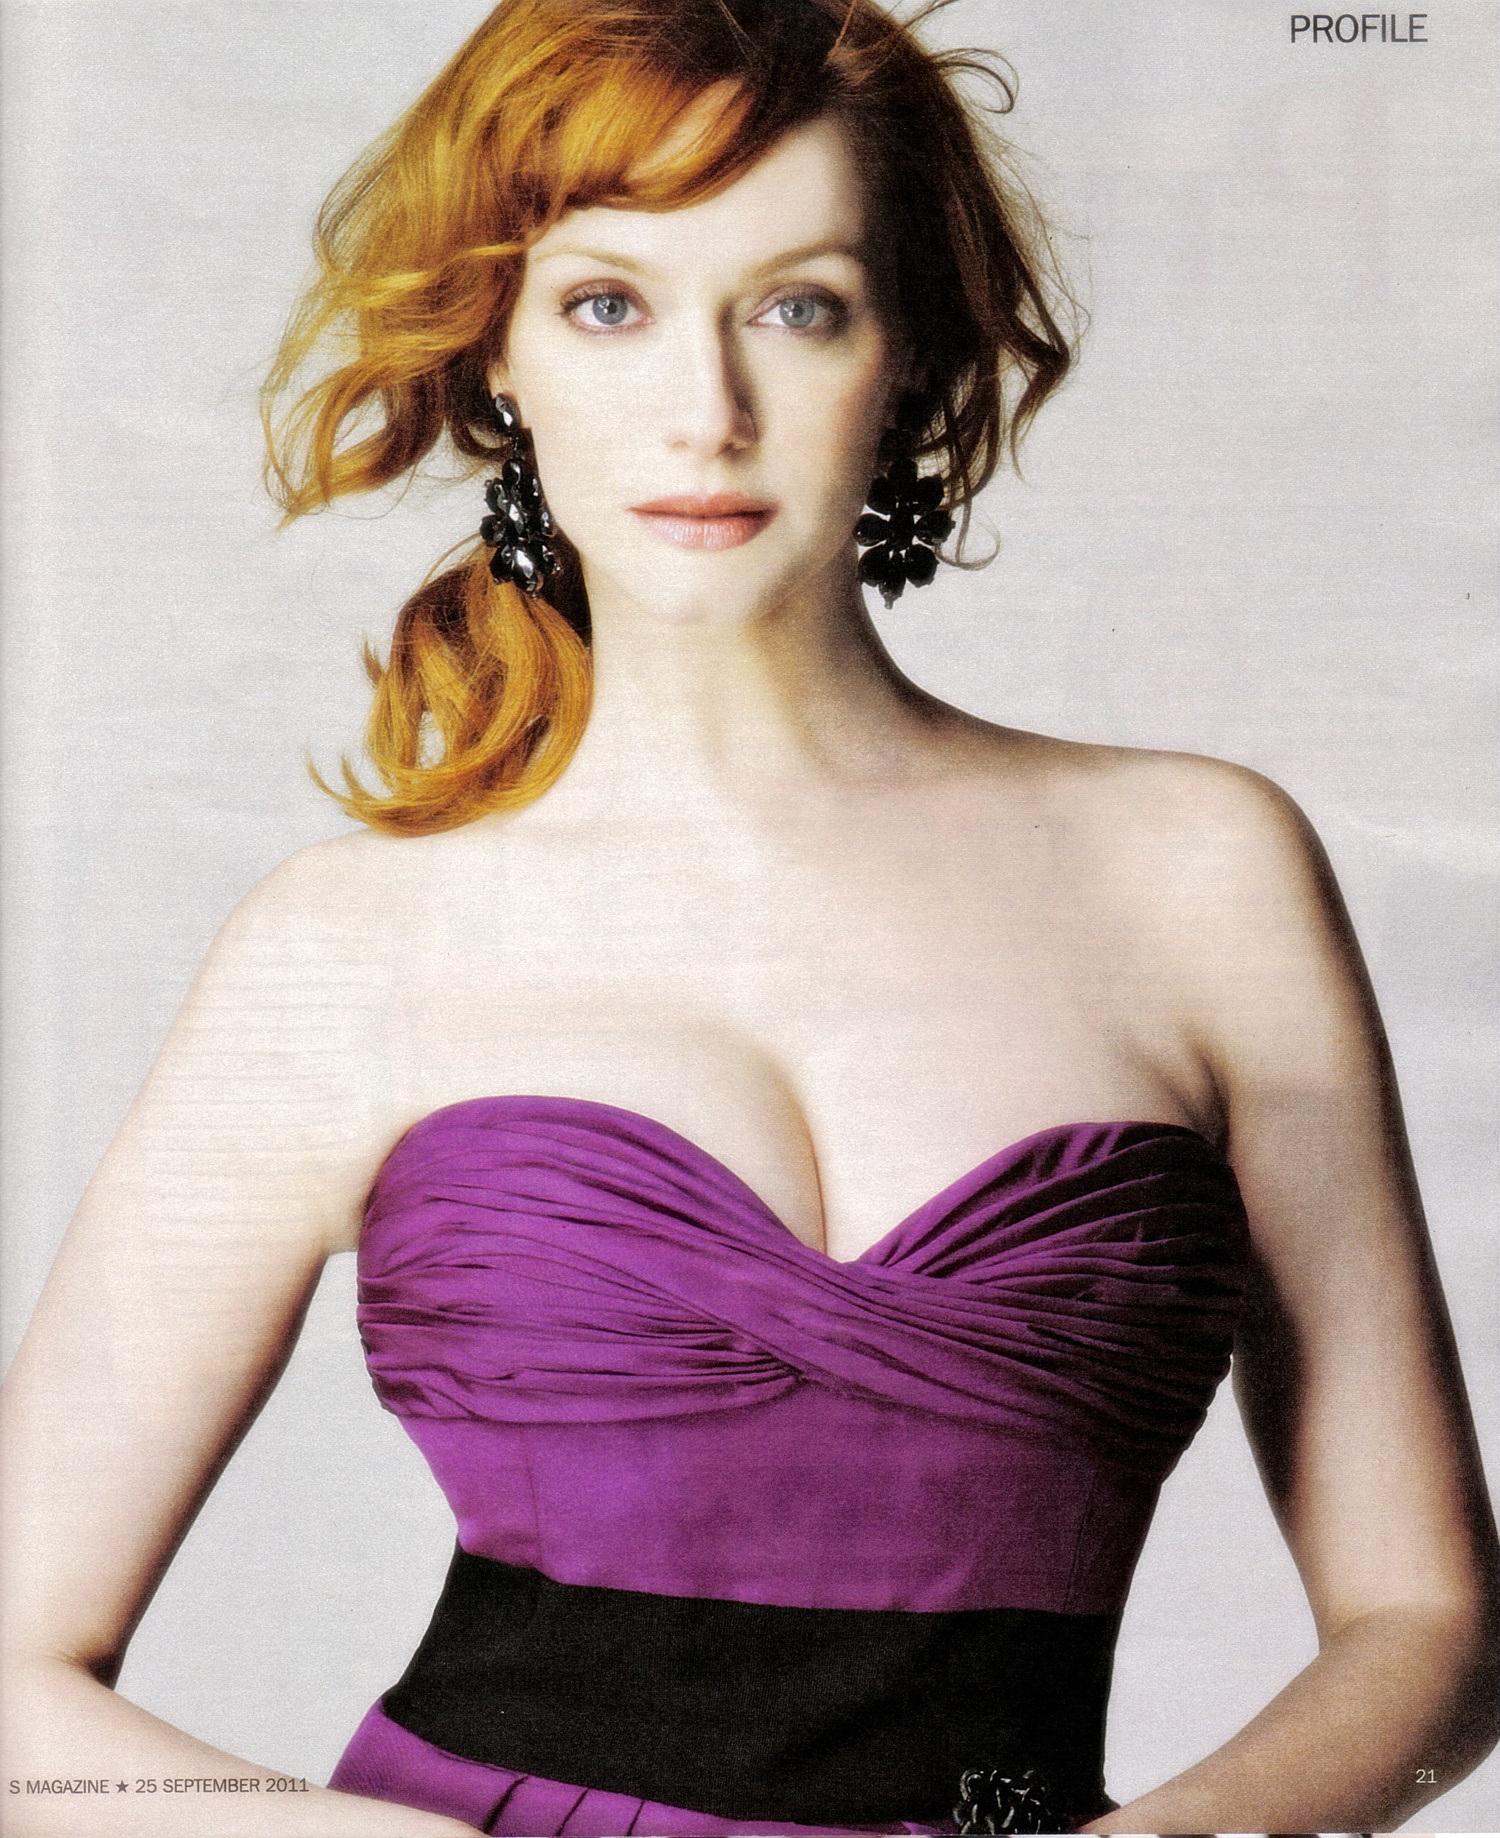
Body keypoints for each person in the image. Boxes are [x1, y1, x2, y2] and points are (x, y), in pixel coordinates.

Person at [2, 0, 1497, 1833]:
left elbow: (1428, 1624)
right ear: (501, 359)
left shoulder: (1202, 868)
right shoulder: (348, 944)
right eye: (607, 305)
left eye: (798, 307)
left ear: (908, 351)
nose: (703, 411)